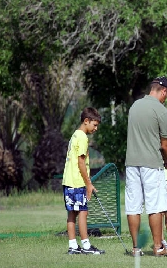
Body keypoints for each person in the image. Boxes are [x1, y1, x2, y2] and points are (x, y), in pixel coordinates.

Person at [125, 76, 167, 257]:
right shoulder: (162, 111)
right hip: (151, 166)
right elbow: (165, 145)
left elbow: (146, 139)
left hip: (131, 164)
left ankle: (136, 249)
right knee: (156, 207)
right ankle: (158, 247)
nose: (166, 98)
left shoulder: (134, 106)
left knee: (133, 207)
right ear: (164, 91)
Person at [62, 107, 105, 255]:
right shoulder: (82, 138)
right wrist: (88, 184)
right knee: (83, 212)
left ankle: (73, 246)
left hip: (68, 181)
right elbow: (81, 163)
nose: (96, 128)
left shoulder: (75, 135)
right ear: (86, 121)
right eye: (94, 124)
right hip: (77, 182)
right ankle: (86, 246)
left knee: (72, 214)